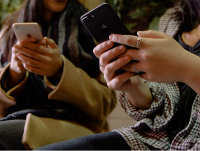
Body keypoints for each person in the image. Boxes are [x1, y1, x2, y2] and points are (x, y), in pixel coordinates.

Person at [34, 0, 200, 150]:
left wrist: (187, 68)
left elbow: (101, 103)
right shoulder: (175, 18)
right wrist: (135, 88)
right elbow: (164, 111)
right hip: (155, 140)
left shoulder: (79, 35)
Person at [0, 0, 117, 150]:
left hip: (76, 125)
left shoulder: (91, 27)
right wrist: (14, 73)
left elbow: (105, 103)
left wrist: (60, 71)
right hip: (16, 117)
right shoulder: (9, 29)